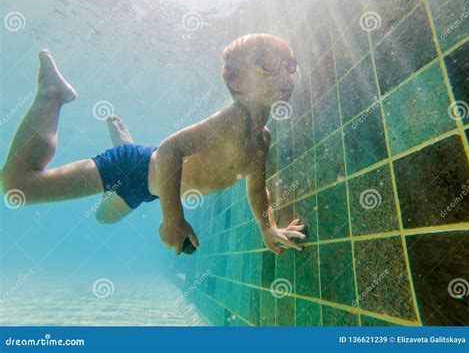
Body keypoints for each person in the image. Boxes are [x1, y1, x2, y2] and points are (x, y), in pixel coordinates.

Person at [2, 34, 306, 256]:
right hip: (131, 167)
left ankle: (126, 142)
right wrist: (173, 218)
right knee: (17, 187)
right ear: (237, 81)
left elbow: (256, 187)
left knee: (103, 218)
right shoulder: (232, 121)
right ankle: (51, 93)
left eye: (289, 66)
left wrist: (267, 227)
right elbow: (171, 150)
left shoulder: (261, 138)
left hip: (151, 188)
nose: (285, 75)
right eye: (268, 64)